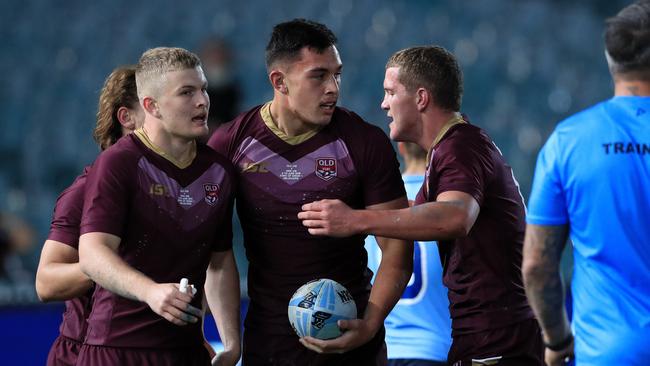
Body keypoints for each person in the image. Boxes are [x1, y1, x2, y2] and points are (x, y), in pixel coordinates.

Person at [299, 46, 543, 365]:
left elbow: (456, 216)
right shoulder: (451, 151)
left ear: (421, 98)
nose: (383, 104)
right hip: (479, 341)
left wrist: (356, 220)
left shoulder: (461, 147)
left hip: (496, 344)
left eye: (390, 92)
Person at [208, 19, 413, 366]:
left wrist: (370, 324)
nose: (333, 88)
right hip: (268, 347)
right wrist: (228, 341)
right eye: (319, 76)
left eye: (337, 75)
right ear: (279, 81)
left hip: (354, 348)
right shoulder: (231, 144)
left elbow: (397, 249)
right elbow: (210, 252)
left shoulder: (364, 142)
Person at [77, 47, 240, 366]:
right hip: (116, 351)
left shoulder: (219, 171)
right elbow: (93, 253)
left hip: (186, 352)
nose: (202, 101)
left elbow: (219, 262)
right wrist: (150, 291)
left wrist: (232, 343)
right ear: (151, 106)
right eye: (186, 92)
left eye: (203, 89)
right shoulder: (117, 163)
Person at [522, 1, 650, 365]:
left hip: (606, 353)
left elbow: (537, 266)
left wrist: (557, 340)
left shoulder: (570, 140)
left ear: (611, 59)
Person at [35, 65, 143, 366]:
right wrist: (112, 266)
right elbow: (46, 282)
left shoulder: (174, 189)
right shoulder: (85, 191)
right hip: (83, 353)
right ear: (127, 118)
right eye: (152, 105)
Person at [364, 142, 451, 366]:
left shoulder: (374, 206)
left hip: (383, 350)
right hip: (436, 349)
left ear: (400, 148)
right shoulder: (451, 205)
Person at [198, 37, 242, 135]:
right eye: (213, 57)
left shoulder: (233, 90)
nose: (217, 60)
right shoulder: (195, 93)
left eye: (220, 57)